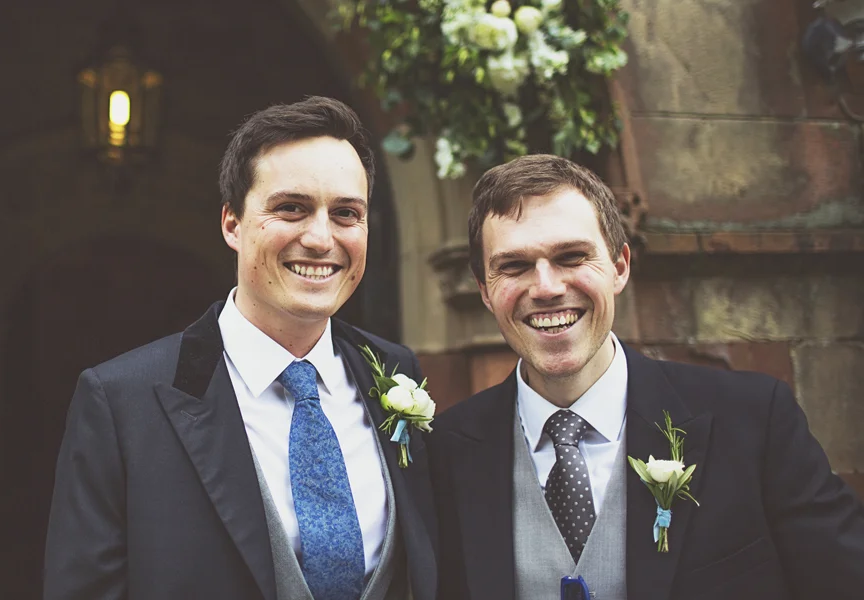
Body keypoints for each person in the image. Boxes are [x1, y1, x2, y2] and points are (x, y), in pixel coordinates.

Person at [45, 96, 437, 600]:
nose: (321, 239)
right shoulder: (122, 401)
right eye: (291, 208)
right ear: (232, 223)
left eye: (346, 214)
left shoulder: (395, 370)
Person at [426, 154, 864, 600]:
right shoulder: (442, 453)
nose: (546, 288)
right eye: (514, 266)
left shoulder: (754, 420)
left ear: (619, 267)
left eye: (572, 257)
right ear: (485, 290)